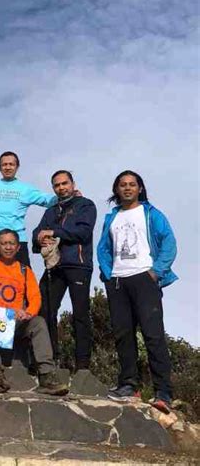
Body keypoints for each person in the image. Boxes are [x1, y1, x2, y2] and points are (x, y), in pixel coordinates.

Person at [97, 171, 178, 413]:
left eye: (132, 184)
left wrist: (156, 272)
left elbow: (169, 242)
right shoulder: (112, 217)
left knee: (153, 335)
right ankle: (129, 386)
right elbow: (103, 248)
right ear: (117, 190)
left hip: (145, 278)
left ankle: (163, 392)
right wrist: (108, 275)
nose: (128, 188)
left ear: (140, 188)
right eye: (123, 185)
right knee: (123, 335)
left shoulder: (151, 214)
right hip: (119, 281)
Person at [0, 229, 68, 395]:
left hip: (14, 323)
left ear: (18, 247)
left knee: (38, 322)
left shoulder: (24, 270)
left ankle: (47, 376)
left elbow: (35, 297)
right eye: (4, 243)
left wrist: (28, 313)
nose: (8, 247)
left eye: (11, 243)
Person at [32, 171, 97, 371]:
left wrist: (54, 232)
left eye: (64, 183)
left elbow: (84, 232)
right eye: (57, 185)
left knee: (80, 315)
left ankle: (82, 366)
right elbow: (37, 233)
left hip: (77, 264)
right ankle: (49, 361)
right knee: (44, 311)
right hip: (54, 266)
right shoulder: (51, 211)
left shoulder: (86, 205)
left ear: (72, 183)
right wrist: (39, 238)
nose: (61, 188)